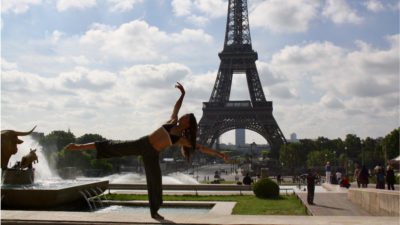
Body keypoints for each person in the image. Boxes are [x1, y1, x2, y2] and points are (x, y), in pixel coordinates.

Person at [67, 82, 229, 219]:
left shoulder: (182, 139)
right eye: (183, 115)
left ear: (189, 123)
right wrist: (183, 94)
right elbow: (176, 107)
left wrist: (220, 154)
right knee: (112, 145)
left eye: (185, 117)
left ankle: (154, 211)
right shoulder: (172, 121)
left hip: (152, 153)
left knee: (155, 181)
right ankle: (79, 147)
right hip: (142, 143)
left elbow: (201, 148)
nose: (182, 117)